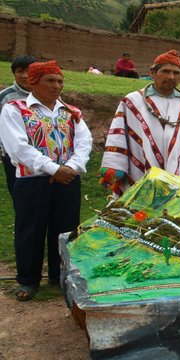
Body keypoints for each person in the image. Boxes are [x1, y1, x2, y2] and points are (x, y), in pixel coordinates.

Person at [0, 60, 93, 300]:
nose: (57, 85)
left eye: (60, 80)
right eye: (50, 80)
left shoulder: (71, 112)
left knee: (65, 229)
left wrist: (70, 167)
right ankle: (28, 280)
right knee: (30, 229)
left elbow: (84, 142)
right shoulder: (15, 109)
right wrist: (53, 169)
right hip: (33, 180)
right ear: (34, 82)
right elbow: (17, 148)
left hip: (68, 179)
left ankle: (58, 275)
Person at [100, 50, 180, 196]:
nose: (171, 77)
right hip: (142, 178)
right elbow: (118, 137)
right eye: (165, 71)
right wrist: (114, 168)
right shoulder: (133, 102)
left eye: (176, 73)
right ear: (152, 73)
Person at [0, 55, 37, 199]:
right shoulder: (5, 97)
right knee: (19, 193)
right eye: (20, 71)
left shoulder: (46, 94)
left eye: (29, 71)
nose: (25, 75)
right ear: (14, 73)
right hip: (13, 156)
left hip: (42, 152)